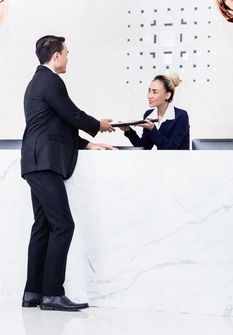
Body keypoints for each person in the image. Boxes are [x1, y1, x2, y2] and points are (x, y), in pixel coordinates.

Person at [21, 35, 116, 311]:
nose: (68, 57)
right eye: (67, 53)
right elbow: (71, 114)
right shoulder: (50, 81)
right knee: (63, 225)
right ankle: (52, 293)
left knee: (43, 226)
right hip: (45, 163)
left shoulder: (36, 83)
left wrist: (89, 144)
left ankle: (33, 293)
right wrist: (98, 124)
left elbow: (57, 124)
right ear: (56, 56)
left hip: (35, 163)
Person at [121, 74, 190, 150]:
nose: (149, 96)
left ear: (167, 95)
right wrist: (129, 131)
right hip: (160, 161)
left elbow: (171, 148)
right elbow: (145, 148)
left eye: (155, 92)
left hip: (180, 161)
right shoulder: (149, 115)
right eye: (149, 91)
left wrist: (152, 129)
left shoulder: (181, 116)